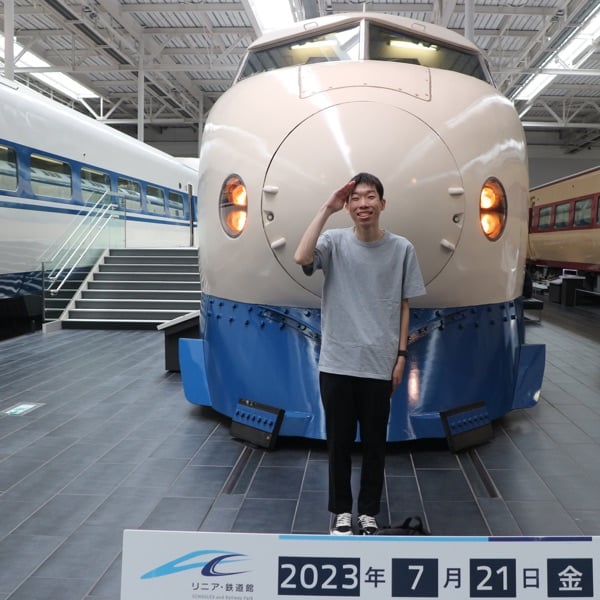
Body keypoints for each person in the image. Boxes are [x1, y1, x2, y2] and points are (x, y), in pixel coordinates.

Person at [294, 172, 426, 536]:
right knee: (338, 443)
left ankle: (368, 512)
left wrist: (401, 355)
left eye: (370, 197)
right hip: (337, 362)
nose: (362, 204)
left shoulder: (402, 249)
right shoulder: (333, 242)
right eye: (355, 198)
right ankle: (341, 511)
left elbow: (404, 304)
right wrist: (327, 208)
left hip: (379, 363)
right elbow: (301, 257)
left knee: (374, 445)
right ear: (348, 206)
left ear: (382, 204)